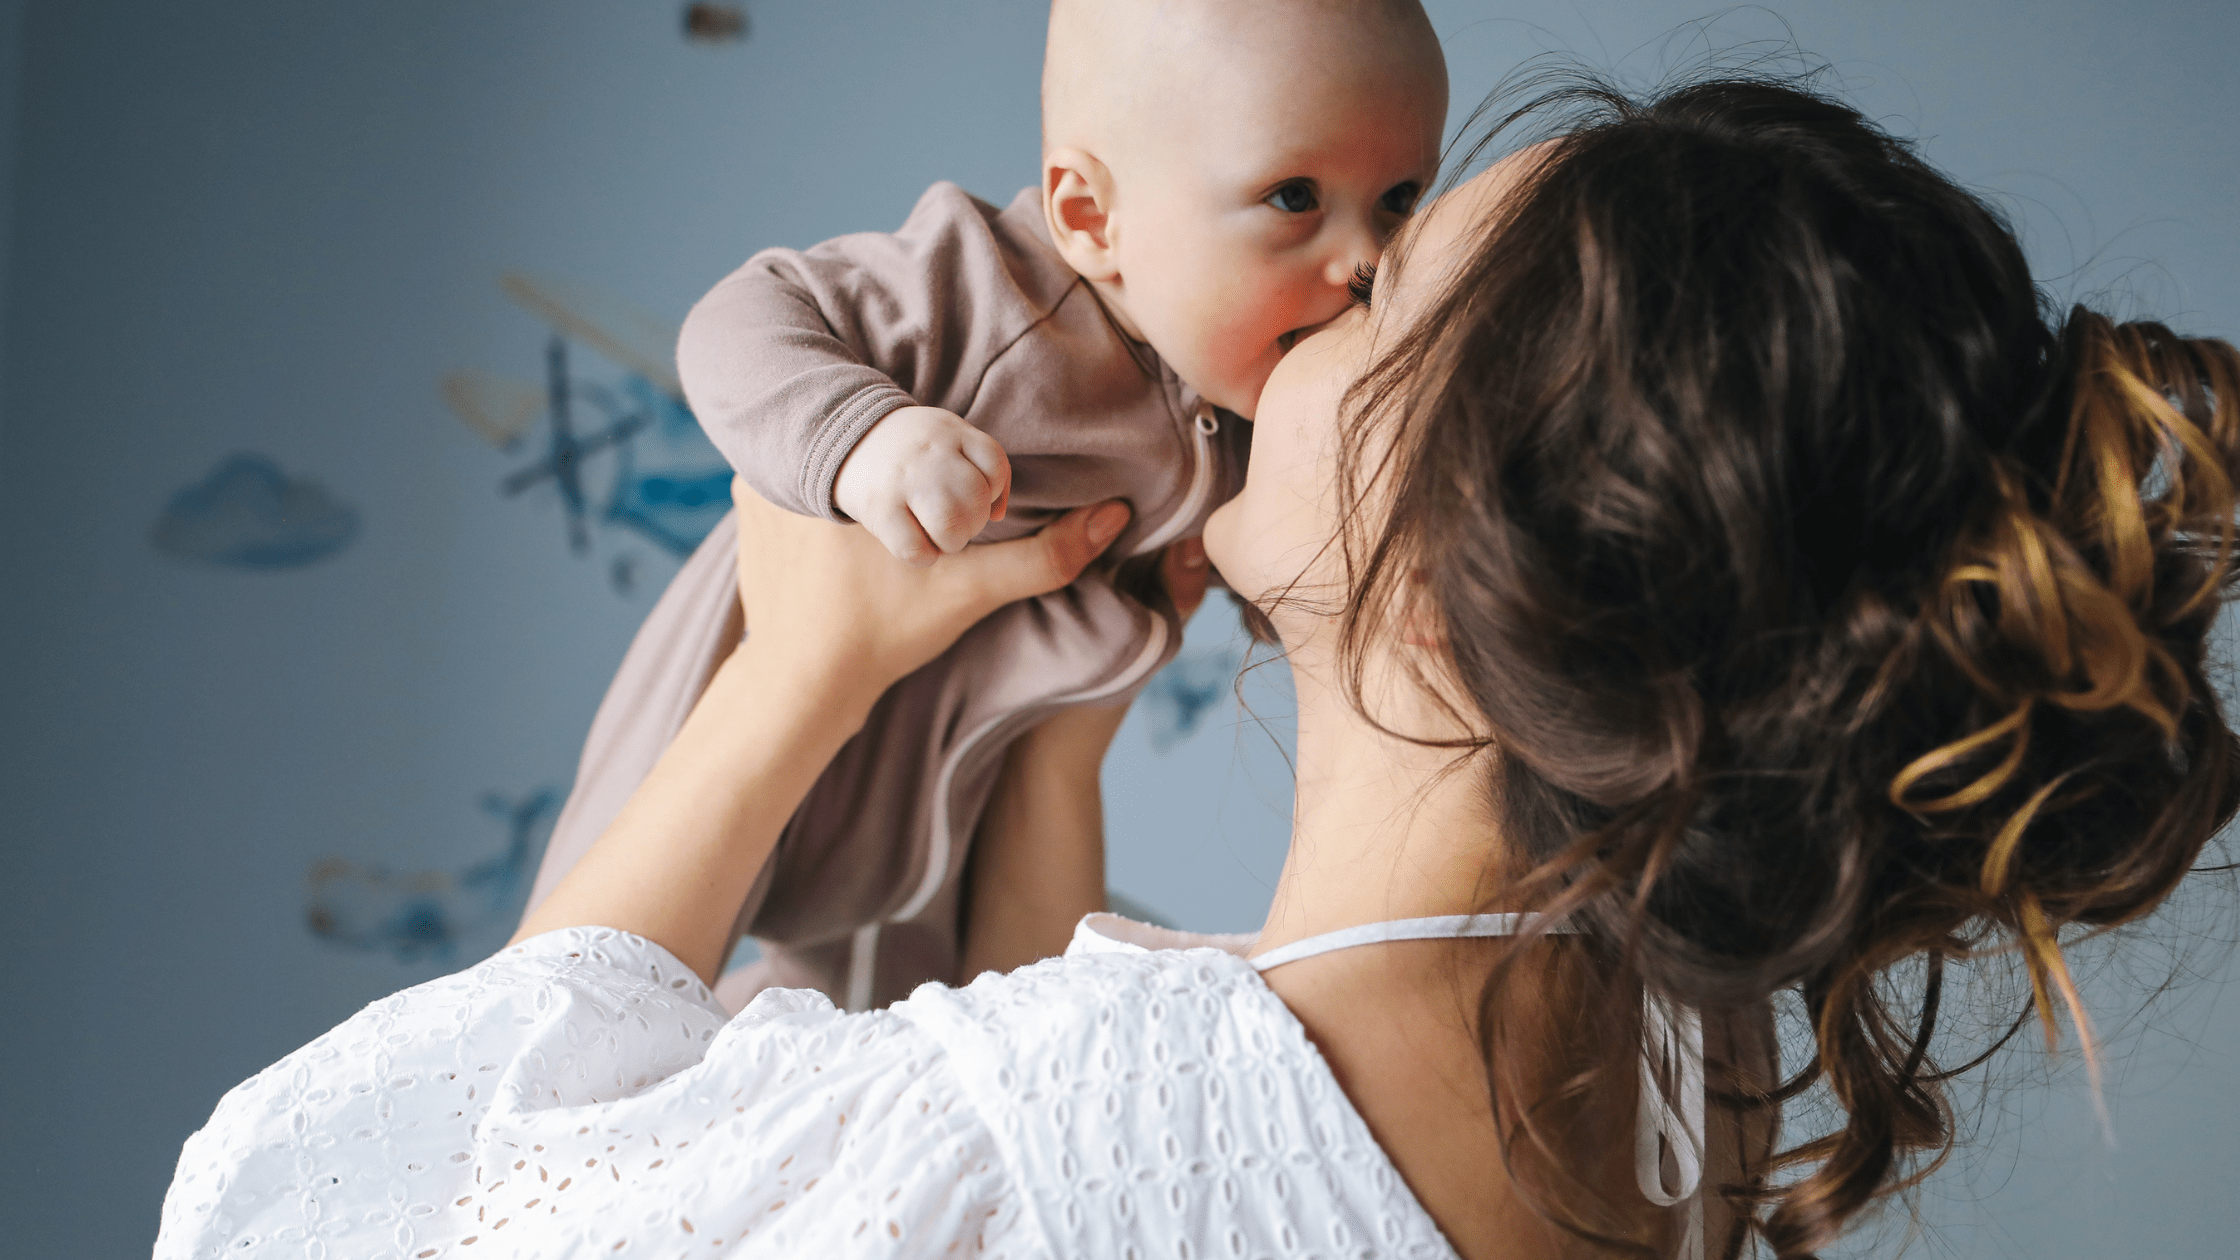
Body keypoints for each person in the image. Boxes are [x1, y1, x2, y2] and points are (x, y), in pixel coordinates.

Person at [155, 75, 2240, 1259]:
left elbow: (361, 1214)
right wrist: (1055, 741)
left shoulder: (1047, 1148)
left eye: (1386, 276)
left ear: (1446, 566)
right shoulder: (1669, 1080)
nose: (1300, 308)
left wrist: (784, 680)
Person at [520, 0, 1450, 1014]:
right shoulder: (990, 292)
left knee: (894, 1018)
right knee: (587, 989)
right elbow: (742, 317)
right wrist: (862, 436)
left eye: (1400, 199)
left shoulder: (1248, 401)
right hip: (754, 683)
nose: (1365, 262)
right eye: (1293, 196)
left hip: (952, 784)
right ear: (1092, 218)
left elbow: (1299, 578)